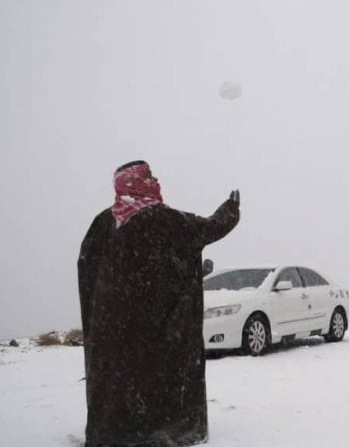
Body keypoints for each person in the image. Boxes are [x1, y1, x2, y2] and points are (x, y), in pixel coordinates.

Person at [78, 160, 240, 447]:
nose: (157, 181)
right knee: (156, 380)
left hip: (112, 335)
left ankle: (118, 430)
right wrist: (230, 210)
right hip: (153, 331)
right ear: (136, 183)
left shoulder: (103, 224)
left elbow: (87, 267)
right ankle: (153, 429)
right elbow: (206, 229)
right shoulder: (161, 219)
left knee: (121, 384)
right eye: (150, 176)